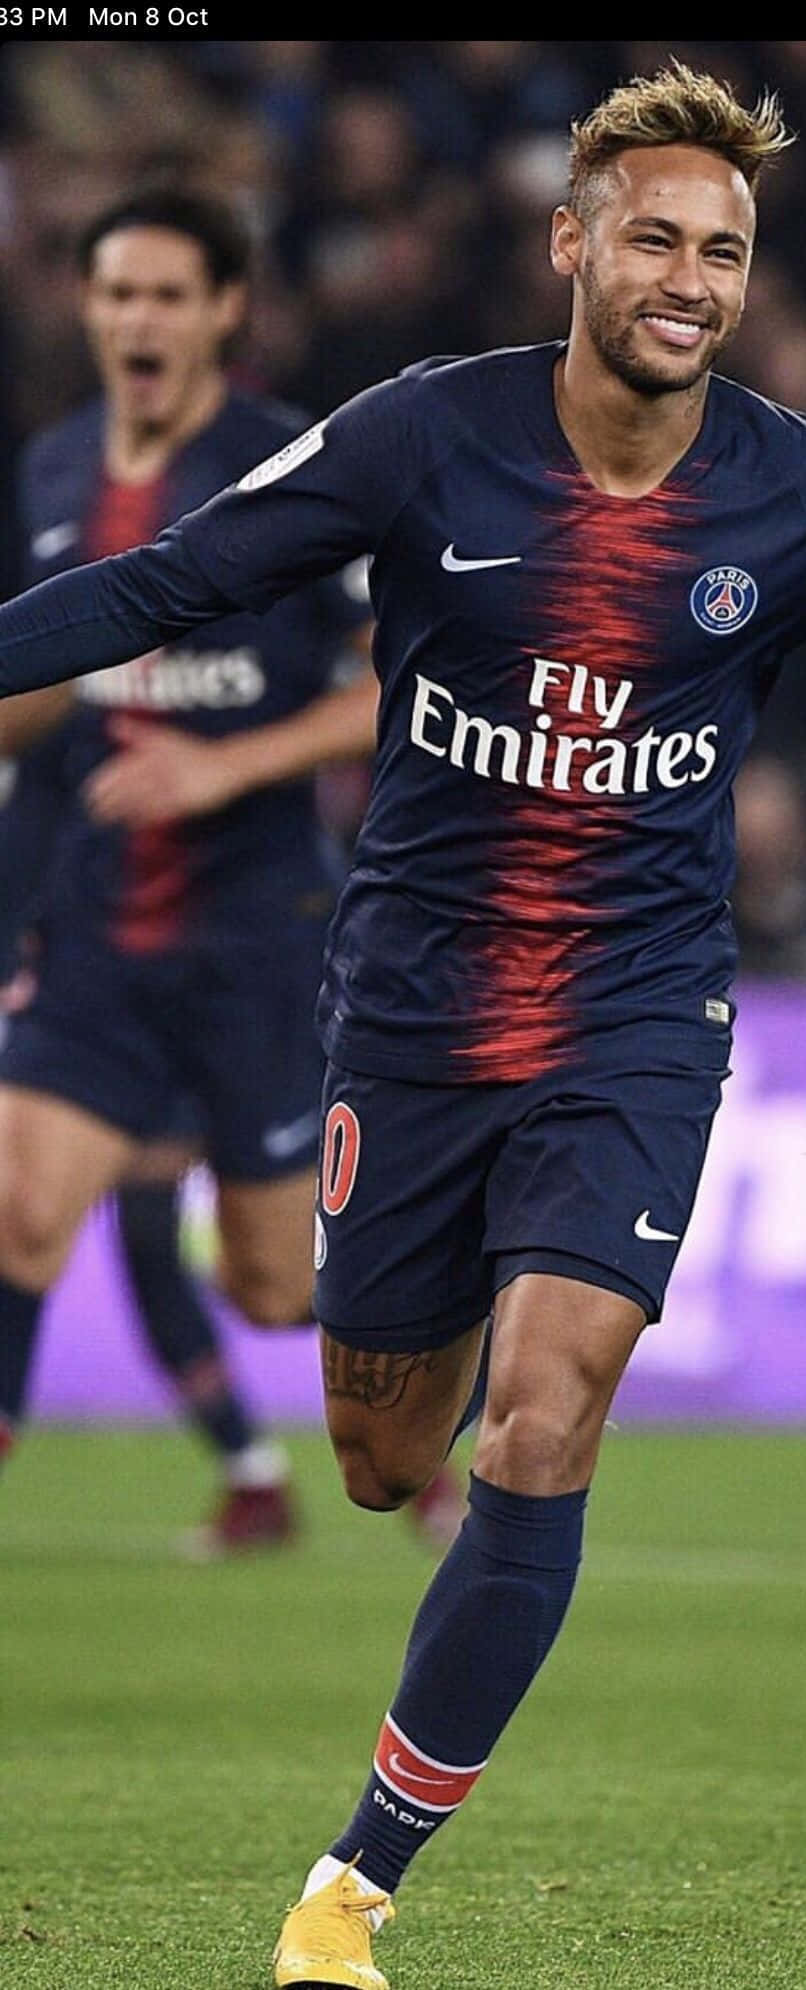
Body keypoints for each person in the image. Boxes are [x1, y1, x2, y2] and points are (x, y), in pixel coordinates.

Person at [0, 65, 806, 1990]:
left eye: (723, 253)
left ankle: (350, 1889)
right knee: (377, 1446)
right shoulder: (424, 436)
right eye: (655, 237)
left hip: (635, 1015)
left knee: (549, 1402)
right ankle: (355, 1457)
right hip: (413, 1010)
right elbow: (174, 580)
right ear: (571, 242)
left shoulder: (799, 492)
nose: (690, 279)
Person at [0, 186, 382, 1539]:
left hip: (255, 927)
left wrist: (225, 764)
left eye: (168, 294)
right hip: (95, 924)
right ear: (88, 308)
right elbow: (36, 695)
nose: (138, 321)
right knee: (17, 1216)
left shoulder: (296, 467)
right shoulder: (53, 469)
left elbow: (401, 682)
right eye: (117, 293)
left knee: (273, 1291)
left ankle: (455, 1309)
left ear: (225, 310)